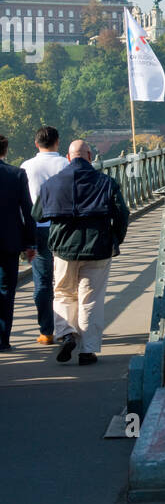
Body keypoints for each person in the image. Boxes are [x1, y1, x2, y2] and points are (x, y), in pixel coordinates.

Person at [33, 139, 129, 366]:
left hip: (64, 249)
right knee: (91, 299)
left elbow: (38, 215)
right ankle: (88, 351)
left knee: (63, 294)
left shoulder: (53, 183)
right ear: (89, 156)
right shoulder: (106, 182)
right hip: (98, 248)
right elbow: (122, 214)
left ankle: (66, 333)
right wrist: (115, 238)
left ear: (68, 157)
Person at [20, 125, 67, 345]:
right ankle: (68, 328)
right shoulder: (66, 164)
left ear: (36, 144)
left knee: (42, 281)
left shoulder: (26, 166)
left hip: (37, 228)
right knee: (66, 280)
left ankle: (46, 331)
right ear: (57, 142)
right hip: (63, 228)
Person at [0, 133, 36, 351]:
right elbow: (27, 210)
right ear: (4, 151)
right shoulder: (16, 174)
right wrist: (30, 243)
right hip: (9, 241)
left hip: (9, 241)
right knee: (6, 291)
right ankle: (3, 339)